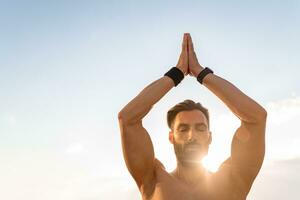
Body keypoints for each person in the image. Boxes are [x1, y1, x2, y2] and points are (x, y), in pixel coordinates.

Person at [118, 33, 267, 200]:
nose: (192, 136)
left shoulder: (232, 181)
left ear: (209, 137)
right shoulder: (153, 181)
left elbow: (256, 118)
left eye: (200, 128)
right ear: (171, 137)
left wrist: (201, 73)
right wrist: (177, 73)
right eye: (183, 129)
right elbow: (127, 119)